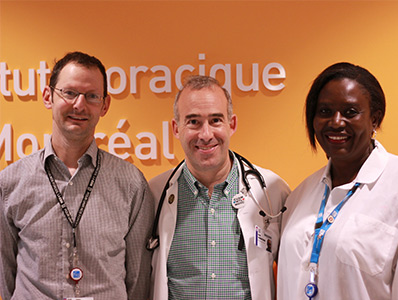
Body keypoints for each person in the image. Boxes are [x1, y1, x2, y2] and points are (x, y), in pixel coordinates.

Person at [277, 62, 398, 300]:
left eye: (350, 112)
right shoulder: (299, 196)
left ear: (375, 120)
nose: (336, 122)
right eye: (325, 111)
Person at [0, 51, 153, 300]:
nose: (79, 105)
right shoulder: (10, 183)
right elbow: (6, 275)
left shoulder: (131, 183)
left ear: (105, 105)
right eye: (69, 93)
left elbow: (137, 280)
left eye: (92, 96)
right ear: (48, 97)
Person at [147, 75, 290, 300]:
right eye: (193, 122)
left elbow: (293, 273)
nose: (206, 134)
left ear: (231, 124)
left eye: (215, 120)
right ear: (176, 128)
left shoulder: (272, 191)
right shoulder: (154, 194)